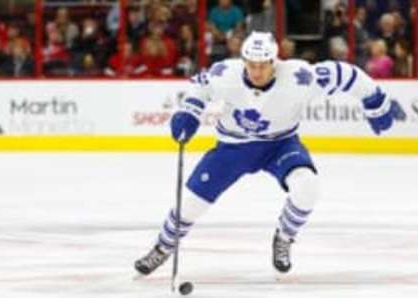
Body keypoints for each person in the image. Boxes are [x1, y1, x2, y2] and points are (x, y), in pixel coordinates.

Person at [135, 31, 395, 275]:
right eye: (251, 64)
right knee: (190, 205)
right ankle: (163, 247)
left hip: (280, 145)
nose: (257, 71)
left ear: (274, 61)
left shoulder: (299, 77)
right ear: (244, 60)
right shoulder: (225, 72)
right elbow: (199, 88)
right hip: (232, 148)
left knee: (308, 187)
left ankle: (284, 237)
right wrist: (188, 112)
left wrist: (375, 101)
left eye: (263, 65)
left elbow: (345, 74)